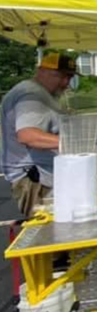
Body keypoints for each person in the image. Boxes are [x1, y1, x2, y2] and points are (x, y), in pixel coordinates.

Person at [1, 52, 77, 218]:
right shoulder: (31, 96)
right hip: (34, 181)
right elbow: (28, 135)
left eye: (69, 77)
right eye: (60, 76)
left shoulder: (40, 93)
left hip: (41, 178)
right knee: (41, 232)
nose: (65, 83)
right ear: (41, 71)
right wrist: (74, 142)